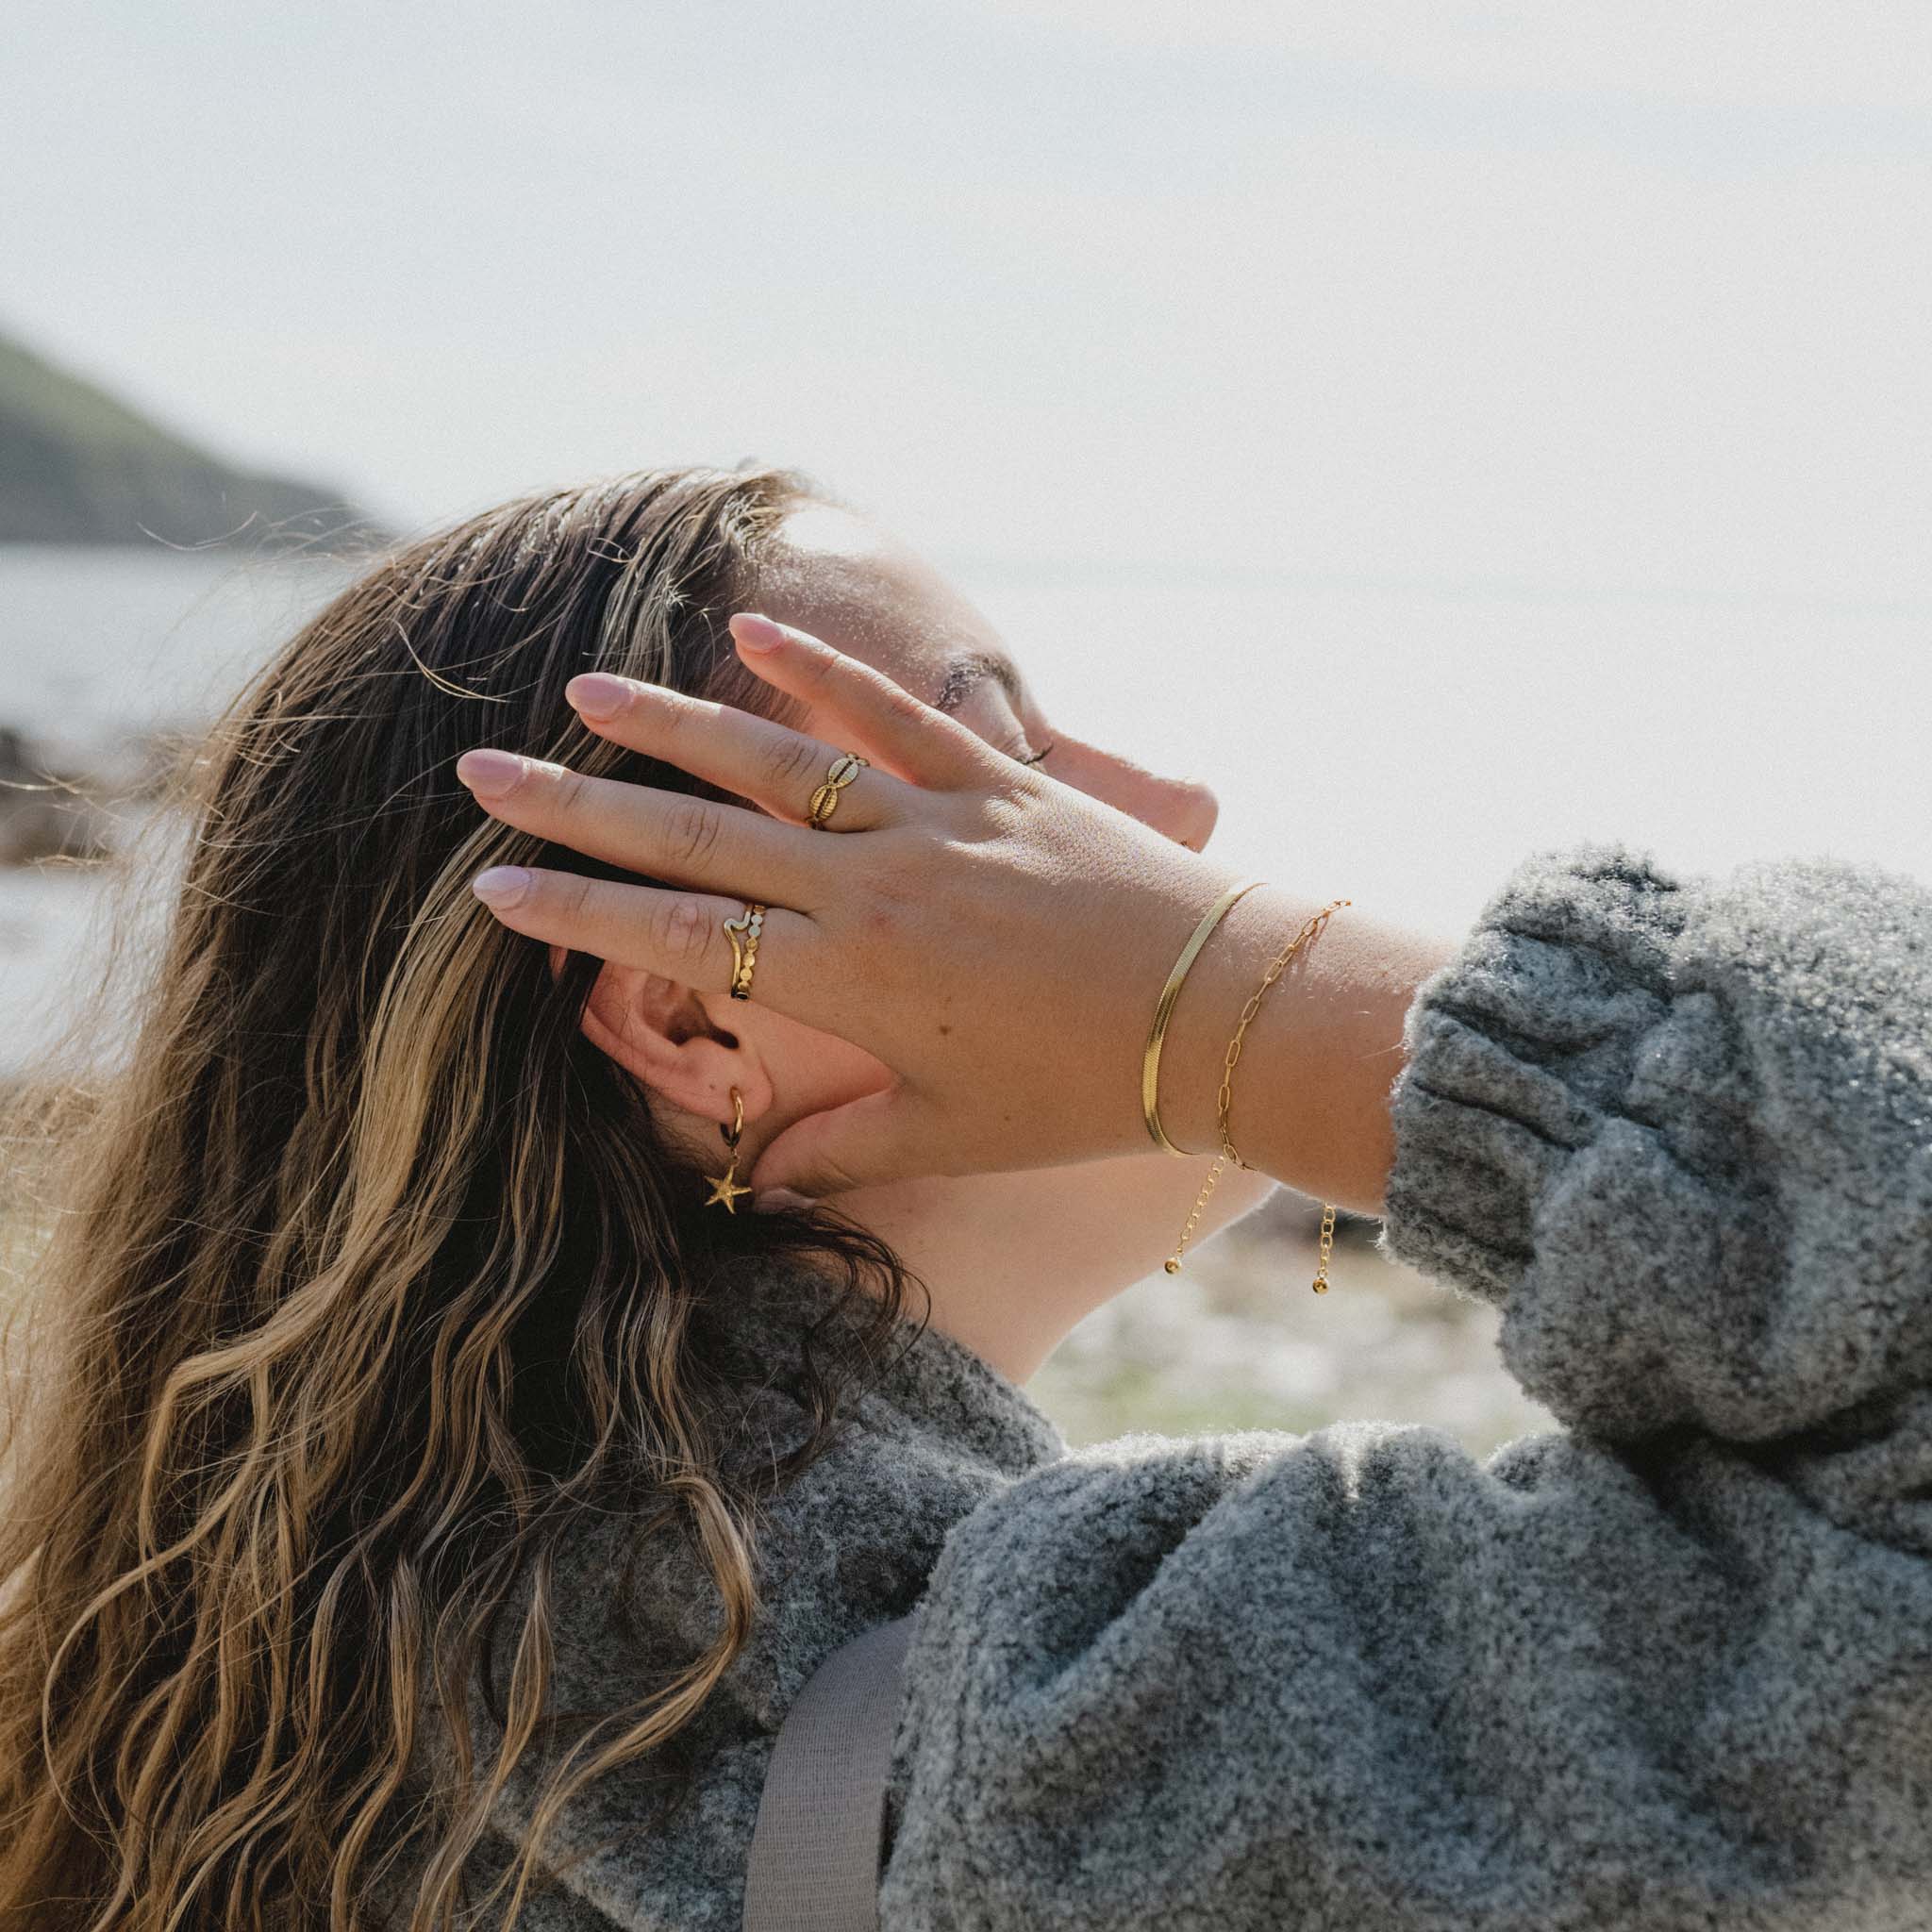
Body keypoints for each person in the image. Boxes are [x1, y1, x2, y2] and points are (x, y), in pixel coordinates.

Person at [0, 464, 1918, 1931]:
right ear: (702, 1012)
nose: (1156, 818)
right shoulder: (1053, 1752)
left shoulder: (317, 1671)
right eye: (990, 764)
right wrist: (1250, 999)